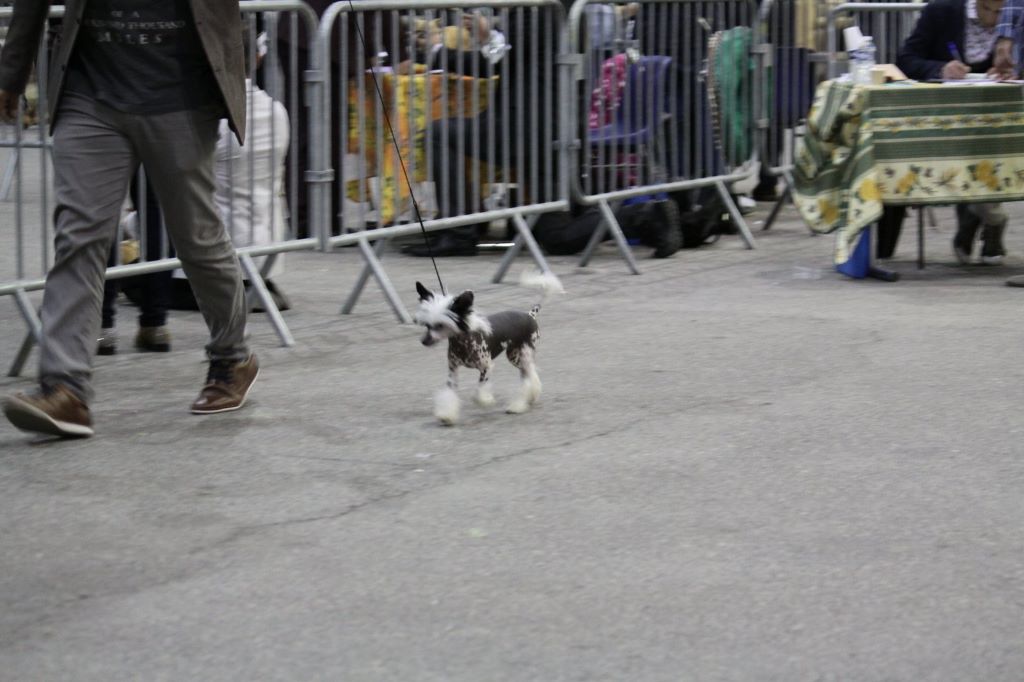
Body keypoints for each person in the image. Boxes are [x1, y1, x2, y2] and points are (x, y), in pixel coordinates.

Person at [0, 0, 258, 439]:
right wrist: (11, 72)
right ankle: (66, 389)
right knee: (78, 236)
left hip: (182, 92)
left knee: (196, 239)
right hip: (89, 92)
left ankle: (231, 356)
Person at [887, 0, 1024, 263]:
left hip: (995, 123)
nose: (996, 20)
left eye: (1002, 13)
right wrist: (939, 69)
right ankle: (991, 218)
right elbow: (905, 60)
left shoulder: (1015, 23)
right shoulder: (940, 11)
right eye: (989, 11)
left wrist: (1012, 70)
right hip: (940, 121)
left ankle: (985, 219)